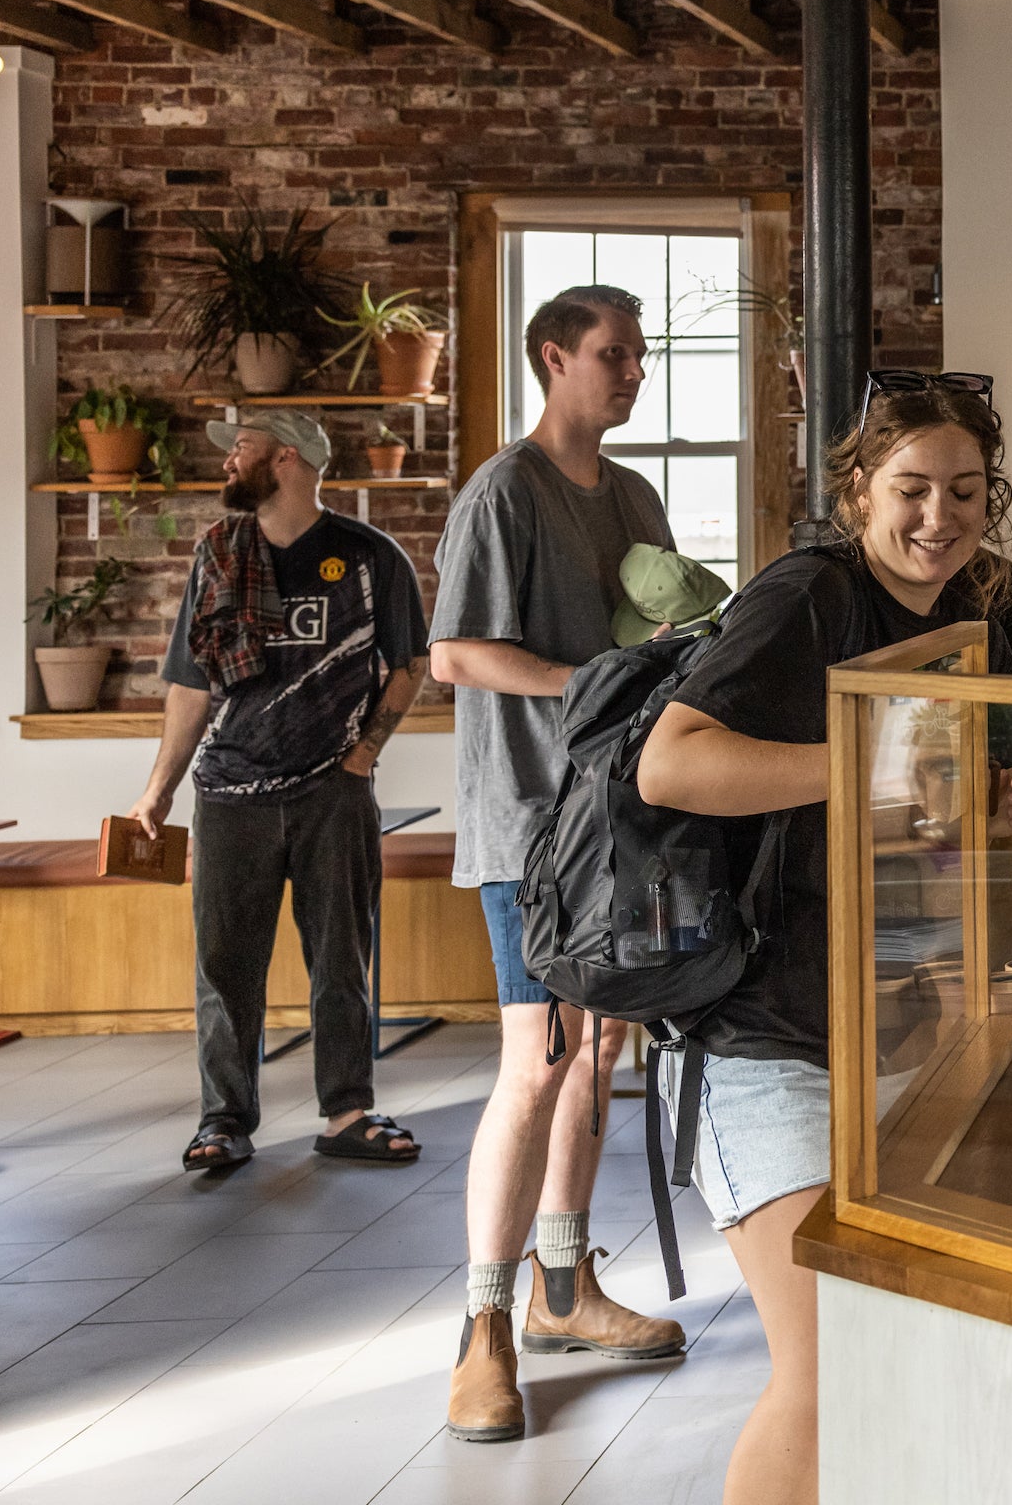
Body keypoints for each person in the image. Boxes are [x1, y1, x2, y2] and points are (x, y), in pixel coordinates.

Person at [637, 374, 1012, 1505]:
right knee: (830, 1371)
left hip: (927, 1032)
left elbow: (966, 801)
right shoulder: (805, 598)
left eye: (964, 492)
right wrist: (870, 772)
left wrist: (993, 801)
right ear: (859, 490)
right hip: (773, 1041)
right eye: (910, 490)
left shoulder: (996, 604)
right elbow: (670, 763)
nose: (937, 519)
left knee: (919, 1364)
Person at [430, 284, 685, 1441]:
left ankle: (566, 1290)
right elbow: (453, 655)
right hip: (527, 829)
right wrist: (585, 685)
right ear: (552, 360)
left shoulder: (632, 493)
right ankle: (484, 1327)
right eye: (613, 355)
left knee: (600, 1051)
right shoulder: (502, 492)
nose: (632, 373)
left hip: (618, 821)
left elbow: (661, 632)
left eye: (639, 356)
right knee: (535, 1062)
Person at [129, 410, 427, 1175]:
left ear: (288, 457)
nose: (230, 460)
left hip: (335, 792)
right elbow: (191, 684)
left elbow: (407, 664)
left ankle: (346, 1111)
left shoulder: (368, 556)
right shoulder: (218, 554)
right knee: (225, 966)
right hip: (230, 793)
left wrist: (365, 753)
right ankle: (224, 1120)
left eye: (243, 446)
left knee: (340, 958)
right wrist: (158, 790)